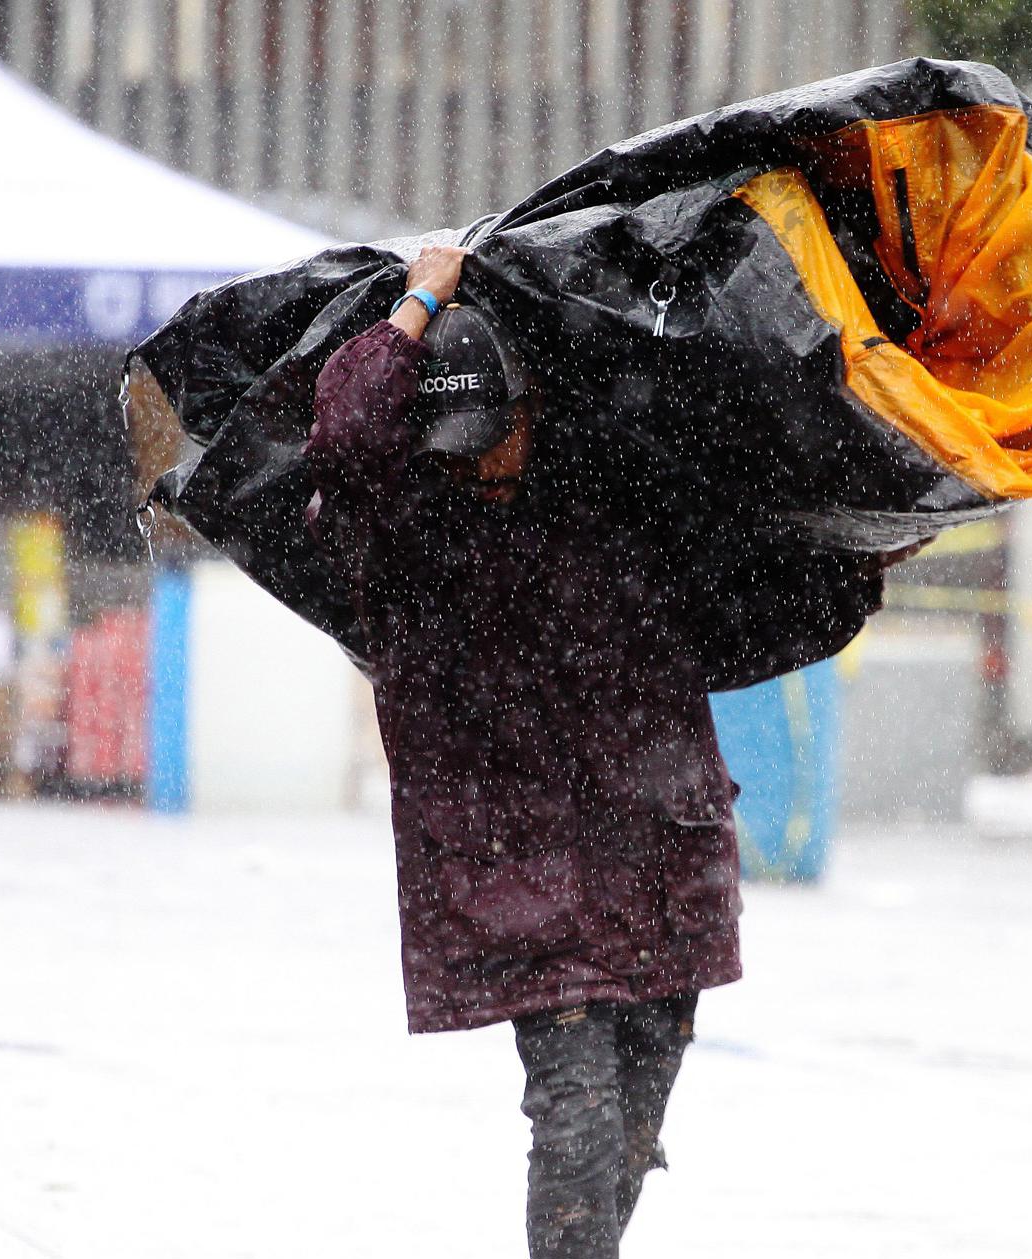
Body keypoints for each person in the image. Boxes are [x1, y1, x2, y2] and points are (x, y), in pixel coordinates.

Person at [306, 244, 743, 1258]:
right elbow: (341, 438)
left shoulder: (612, 491)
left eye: (493, 437)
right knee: (579, 1119)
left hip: (656, 851)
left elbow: (756, 530)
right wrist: (419, 303)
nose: (479, 462)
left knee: (633, 1123)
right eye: (455, 443)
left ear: (533, 409)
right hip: (523, 869)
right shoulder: (403, 525)